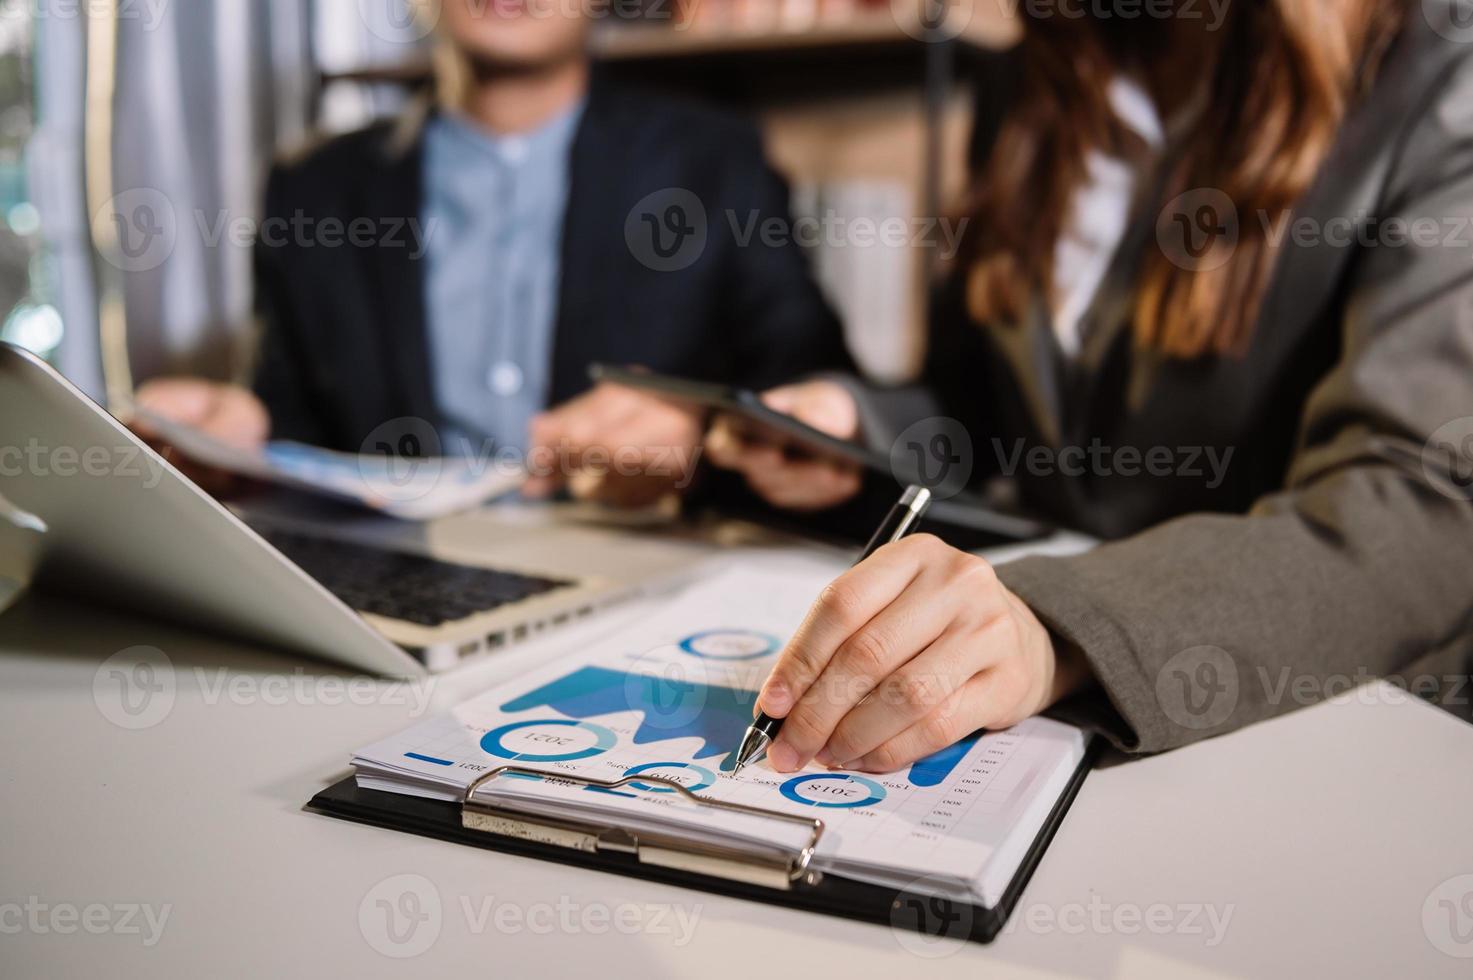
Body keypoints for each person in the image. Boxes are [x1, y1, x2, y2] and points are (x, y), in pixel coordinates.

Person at [705, 0, 1473, 767]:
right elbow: (984, 406)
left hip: (1300, 723)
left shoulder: (1441, 70)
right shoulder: (1028, 82)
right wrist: (858, 424)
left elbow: (1421, 499)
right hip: (1040, 712)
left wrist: (1060, 627)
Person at [136, 0, 846, 507]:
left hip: (639, 573)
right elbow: (290, 412)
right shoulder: (314, 187)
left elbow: (815, 388)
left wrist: (703, 433)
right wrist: (237, 436)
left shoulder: (713, 163)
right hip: (392, 582)